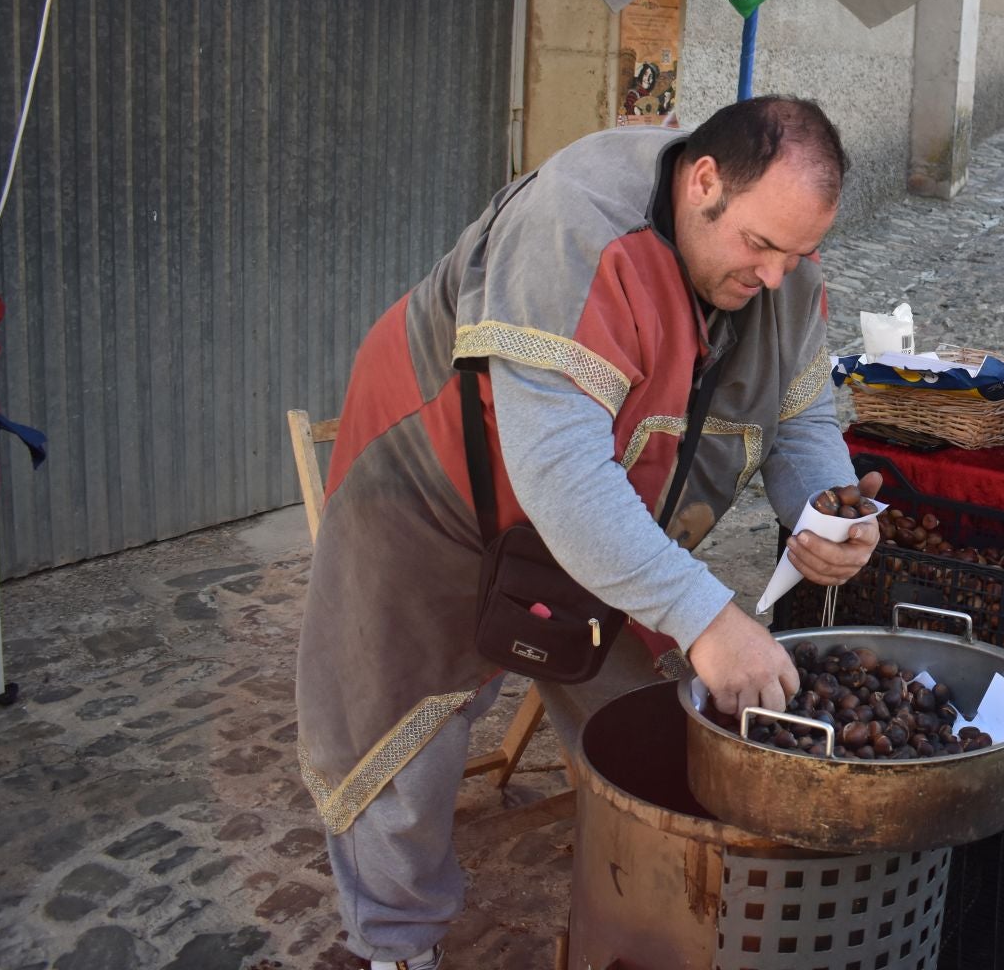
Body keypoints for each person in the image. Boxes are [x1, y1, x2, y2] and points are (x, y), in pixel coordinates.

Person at [296, 97, 881, 970]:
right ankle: (393, 948)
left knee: (651, 722)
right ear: (704, 182)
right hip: (427, 491)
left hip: (610, 515)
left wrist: (823, 511)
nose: (774, 276)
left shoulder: (779, 268)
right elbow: (562, 473)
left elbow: (801, 419)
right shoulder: (571, 225)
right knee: (399, 751)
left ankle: (657, 921)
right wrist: (711, 615)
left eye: (797, 255)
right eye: (759, 245)